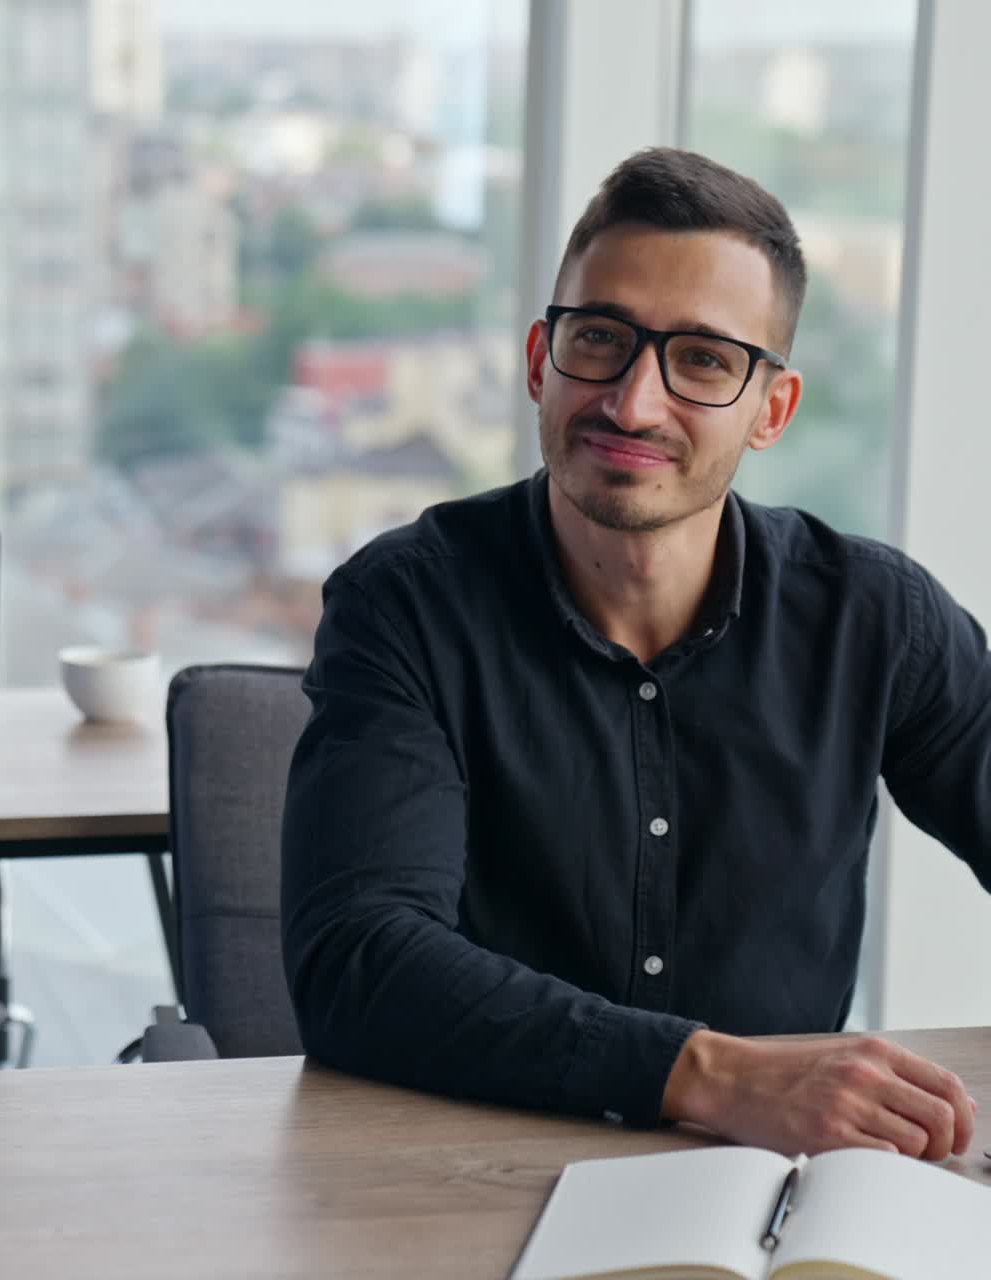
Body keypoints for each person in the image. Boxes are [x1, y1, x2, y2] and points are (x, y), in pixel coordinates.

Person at [281, 147, 988, 1167]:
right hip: (468, 1175)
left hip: (771, 1200)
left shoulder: (874, 619)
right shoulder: (407, 602)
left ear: (770, 409)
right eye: (600, 339)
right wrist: (711, 1074)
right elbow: (357, 962)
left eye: (701, 359)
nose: (631, 402)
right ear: (538, 359)